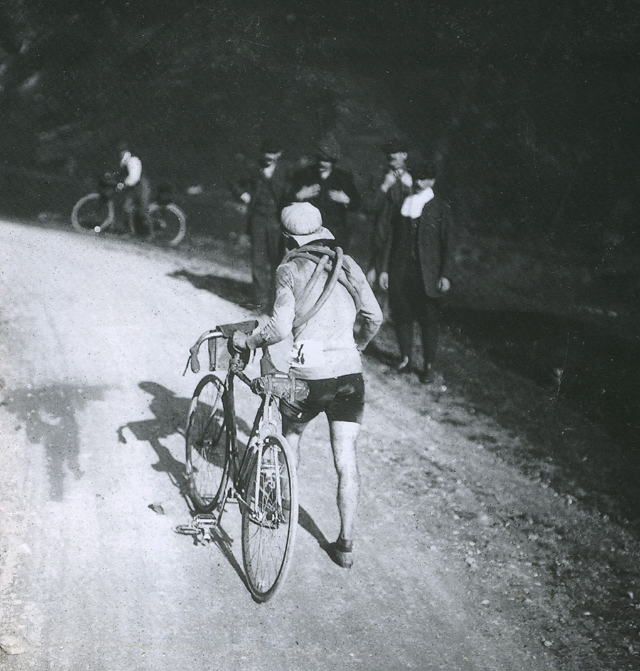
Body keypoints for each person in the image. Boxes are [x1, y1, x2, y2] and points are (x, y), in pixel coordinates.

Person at [232, 202, 383, 569]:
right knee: (346, 458)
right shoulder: (346, 263)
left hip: (311, 375)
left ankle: (279, 508)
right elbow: (374, 316)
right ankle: (345, 544)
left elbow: (280, 328)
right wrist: (356, 347)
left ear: (288, 238)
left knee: (291, 436)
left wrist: (248, 342)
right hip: (350, 374)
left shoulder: (289, 268)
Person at [377, 161, 455, 382]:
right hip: (401, 270)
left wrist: (445, 274)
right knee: (402, 315)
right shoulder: (405, 203)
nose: (419, 182)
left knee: (429, 319)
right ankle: (405, 359)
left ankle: (428, 366)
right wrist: (384, 269)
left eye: (425, 178)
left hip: (427, 274)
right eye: (417, 177)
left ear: (432, 180)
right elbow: (391, 239)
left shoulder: (440, 206)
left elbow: (449, 244)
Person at [232, 139, 291, 315]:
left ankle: (275, 306)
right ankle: (259, 303)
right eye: (266, 152)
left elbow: (292, 191)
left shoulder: (286, 171)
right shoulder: (253, 168)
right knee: (258, 261)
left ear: (279, 154)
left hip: (277, 221)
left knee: (278, 263)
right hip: (258, 219)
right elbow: (233, 181)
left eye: (272, 153)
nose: (268, 157)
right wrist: (244, 196)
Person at [290, 135, 361, 254]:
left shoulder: (343, 178)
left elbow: (357, 203)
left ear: (333, 161)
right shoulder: (305, 175)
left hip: (336, 234)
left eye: (326, 160)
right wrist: (299, 196)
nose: (322, 164)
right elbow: (286, 201)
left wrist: (346, 200)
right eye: (319, 159)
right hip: (309, 233)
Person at [366, 139, 414, 288]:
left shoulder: (414, 179)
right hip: (382, 235)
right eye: (389, 153)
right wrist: (385, 186)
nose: (391, 155)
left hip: (405, 238)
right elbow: (369, 207)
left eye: (396, 152)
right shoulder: (379, 177)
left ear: (404, 155)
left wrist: (410, 188)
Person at [116, 141, 151, 236]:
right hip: (134, 187)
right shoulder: (125, 161)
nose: (121, 154)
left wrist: (124, 184)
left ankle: (149, 234)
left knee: (142, 210)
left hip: (141, 186)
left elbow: (134, 177)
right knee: (127, 207)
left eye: (122, 152)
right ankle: (131, 231)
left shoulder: (133, 160)